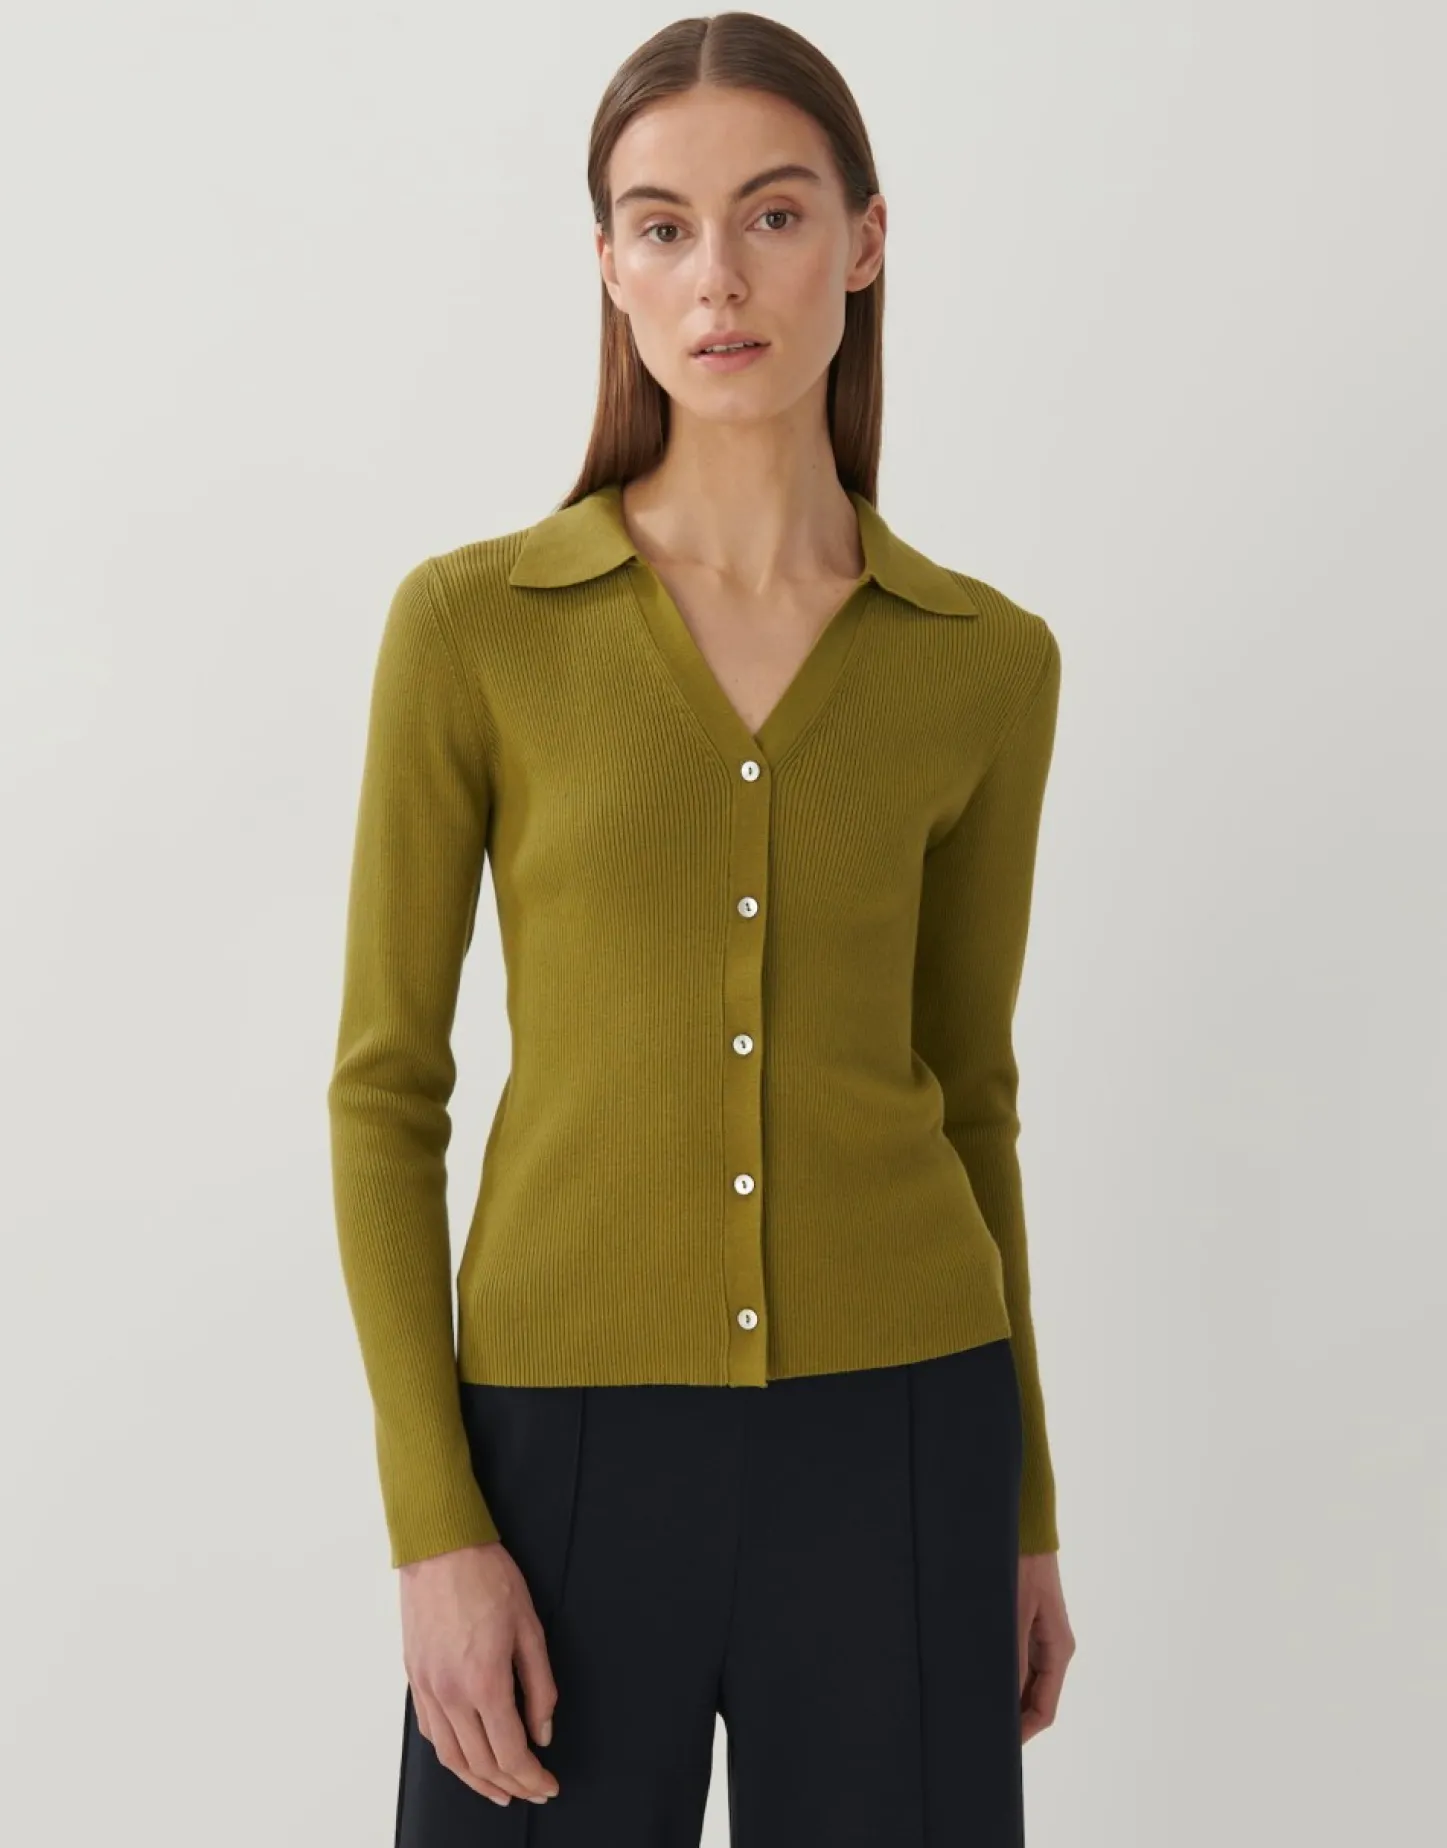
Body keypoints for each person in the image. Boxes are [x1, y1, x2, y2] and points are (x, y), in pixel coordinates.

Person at [326, 12, 1077, 1844]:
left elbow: (970, 1095)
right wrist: (435, 1528)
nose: (716, 277)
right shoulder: (475, 629)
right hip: (561, 1448)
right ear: (607, 264)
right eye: (661, 226)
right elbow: (384, 1095)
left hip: (902, 1436)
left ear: (865, 241)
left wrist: (1022, 1513)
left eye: (773, 215)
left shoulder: (984, 662)